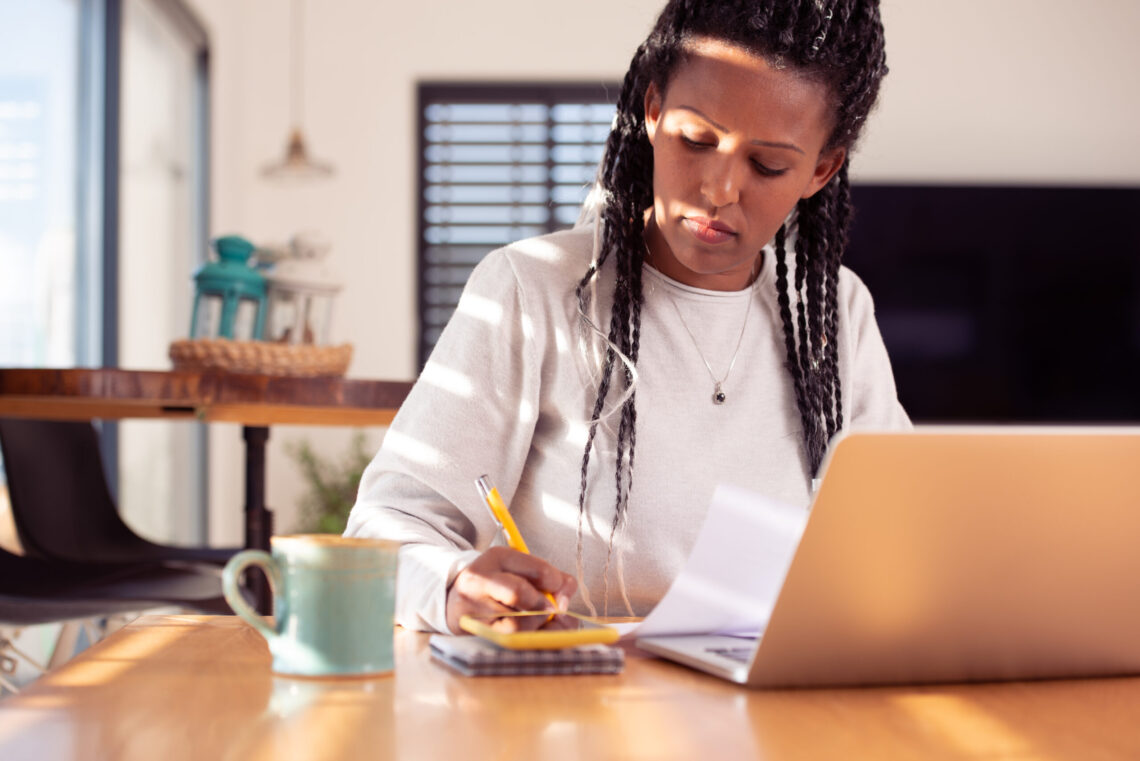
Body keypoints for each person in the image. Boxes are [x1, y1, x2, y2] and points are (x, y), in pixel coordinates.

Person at [346, 0, 910, 634]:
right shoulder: (532, 290)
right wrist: (451, 583)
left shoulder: (836, 313)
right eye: (695, 140)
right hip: (579, 700)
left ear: (821, 170)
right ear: (653, 110)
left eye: (767, 164)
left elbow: (902, 534)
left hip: (776, 703)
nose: (720, 189)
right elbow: (386, 523)